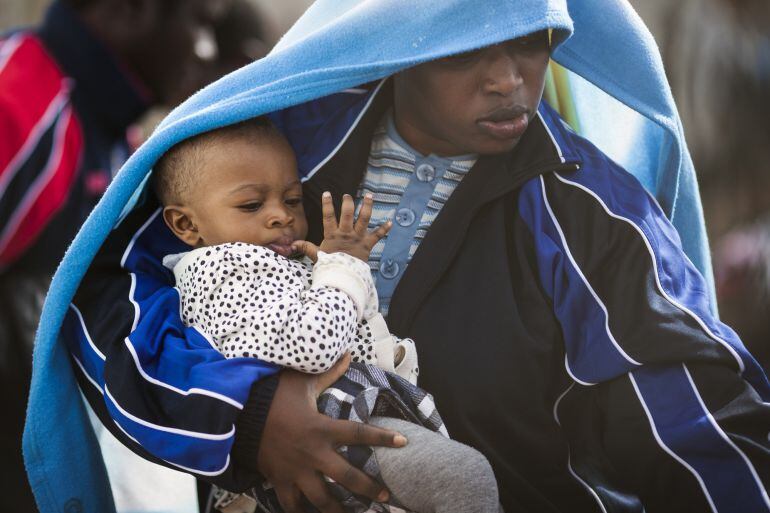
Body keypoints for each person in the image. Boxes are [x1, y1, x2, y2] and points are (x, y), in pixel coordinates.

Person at [28, 2, 770, 512]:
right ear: (402, 28)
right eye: (470, 45)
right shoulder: (275, 155)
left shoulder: (589, 218)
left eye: (533, 39)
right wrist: (249, 417)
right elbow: (116, 296)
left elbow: (698, 427)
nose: (509, 80)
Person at [151, 116, 500, 513]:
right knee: (465, 476)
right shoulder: (221, 271)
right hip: (326, 428)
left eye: (292, 200)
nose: (280, 215)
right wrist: (343, 266)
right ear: (185, 224)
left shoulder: (267, 259)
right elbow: (312, 346)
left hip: (336, 429)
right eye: (251, 204)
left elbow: (343, 335)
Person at [0, 0, 229, 509]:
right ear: (131, 9)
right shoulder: (20, 99)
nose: (206, 47)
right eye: (197, 21)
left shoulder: (112, 127)